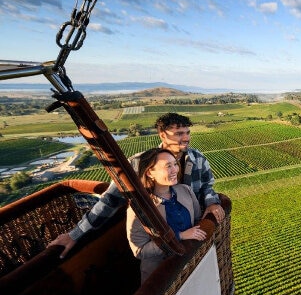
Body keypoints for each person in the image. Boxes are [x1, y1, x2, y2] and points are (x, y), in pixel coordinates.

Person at [48, 112, 225, 258]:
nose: (186, 138)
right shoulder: (137, 164)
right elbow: (109, 201)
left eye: (187, 133)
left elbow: (207, 186)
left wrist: (212, 202)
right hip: (156, 243)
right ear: (162, 135)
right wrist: (76, 234)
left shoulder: (197, 159)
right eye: (179, 134)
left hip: (191, 237)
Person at [127, 148, 207, 283]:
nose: (175, 170)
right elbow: (139, 250)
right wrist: (179, 236)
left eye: (175, 164)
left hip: (191, 266)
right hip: (161, 278)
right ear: (150, 172)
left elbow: (198, 220)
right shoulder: (139, 208)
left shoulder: (185, 190)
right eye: (168, 166)